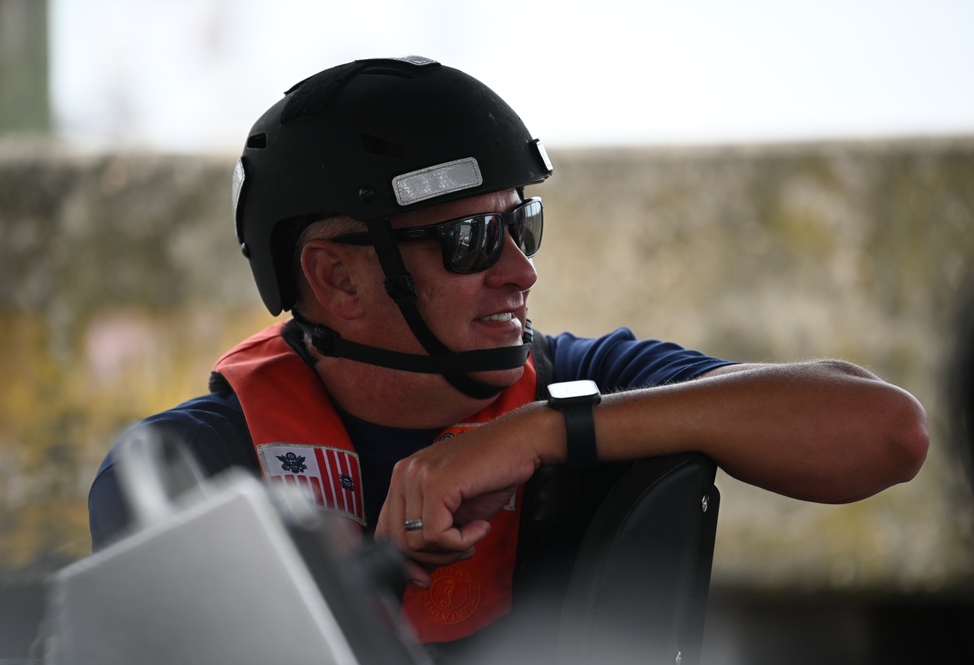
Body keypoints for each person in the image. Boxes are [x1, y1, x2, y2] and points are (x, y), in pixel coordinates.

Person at [88, 55, 929, 658]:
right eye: (469, 237)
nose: (520, 269)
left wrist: (540, 432)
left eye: (520, 224)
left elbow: (889, 432)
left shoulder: (580, 384)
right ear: (336, 277)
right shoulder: (192, 468)